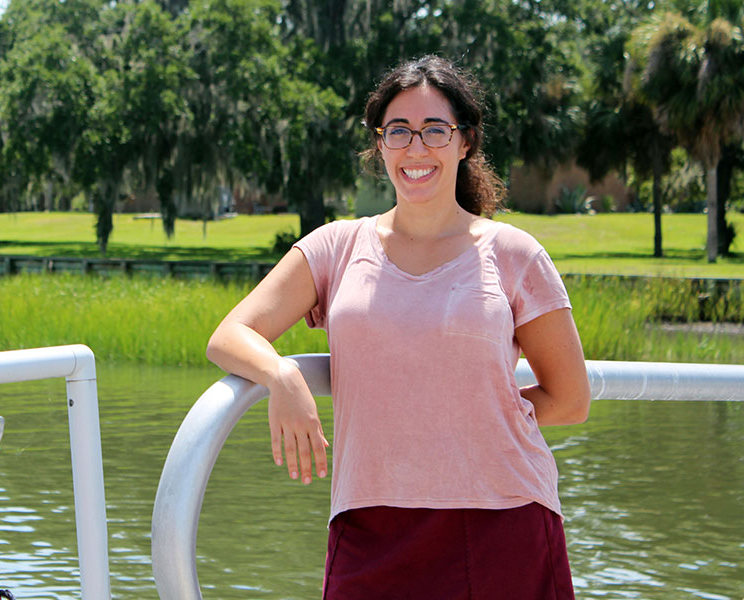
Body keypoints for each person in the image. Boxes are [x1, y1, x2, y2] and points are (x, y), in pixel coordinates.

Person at [206, 55, 590, 599]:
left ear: (465, 142)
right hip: (370, 529)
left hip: (504, 522)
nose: (416, 148)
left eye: (435, 130)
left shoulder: (514, 254)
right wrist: (282, 378)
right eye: (398, 131)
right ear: (379, 144)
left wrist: (471, 411)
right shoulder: (335, 246)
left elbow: (571, 399)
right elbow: (230, 334)